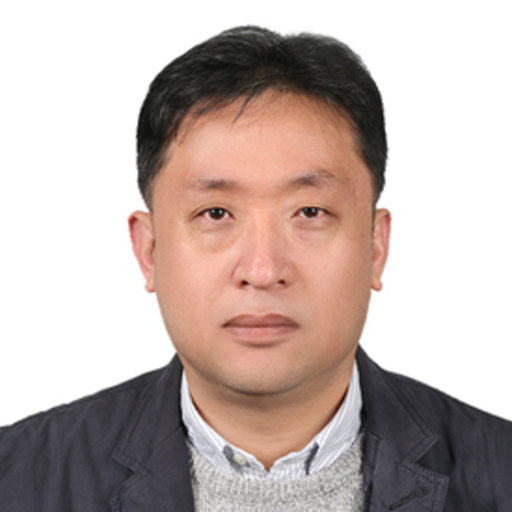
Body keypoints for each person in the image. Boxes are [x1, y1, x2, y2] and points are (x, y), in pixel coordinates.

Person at [0, 25, 510, 512]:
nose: (263, 271)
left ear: (376, 246)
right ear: (149, 250)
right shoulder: (17, 477)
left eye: (310, 212)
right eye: (215, 214)